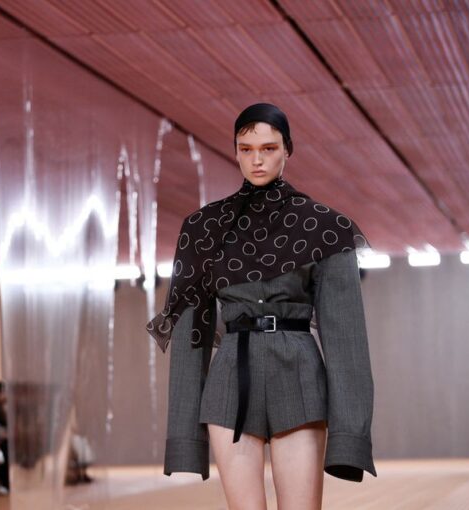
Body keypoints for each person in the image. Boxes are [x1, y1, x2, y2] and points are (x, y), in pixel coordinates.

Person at [147, 103, 377, 510]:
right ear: (235, 151)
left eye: (269, 148)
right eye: (246, 149)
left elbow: (346, 339)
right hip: (230, 381)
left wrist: (350, 439)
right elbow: (190, 335)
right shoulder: (203, 228)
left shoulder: (325, 228)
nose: (257, 159)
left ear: (288, 149)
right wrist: (184, 439)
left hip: (299, 377)